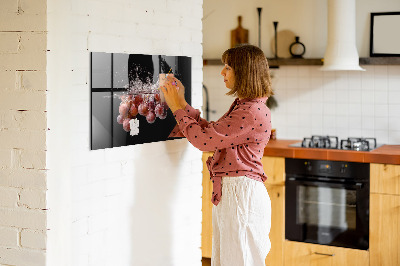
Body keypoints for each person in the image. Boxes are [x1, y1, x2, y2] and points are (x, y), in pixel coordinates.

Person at [160, 44, 273, 266]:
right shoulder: (246, 106)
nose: (222, 72)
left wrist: (176, 107)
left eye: (228, 67)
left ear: (244, 71)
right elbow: (212, 133)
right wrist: (182, 103)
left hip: (241, 195)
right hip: (235, 193)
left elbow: (204, 141)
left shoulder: (250, 111)